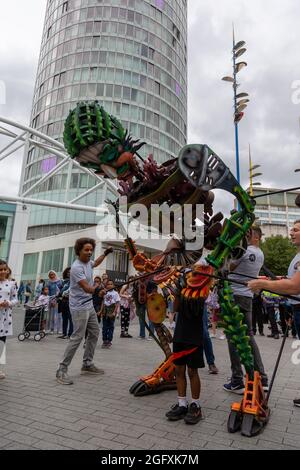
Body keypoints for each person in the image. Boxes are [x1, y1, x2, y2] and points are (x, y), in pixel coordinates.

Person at [248, 220, 300, 407]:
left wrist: (262, 284)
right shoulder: (297, 256)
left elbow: (294, 286)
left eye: (296, 230)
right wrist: (277, 280)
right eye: (291, 229)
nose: (291, 233)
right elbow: (291, 280)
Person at [56, 239, 113, 385]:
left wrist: (105, 253)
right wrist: (99, 288)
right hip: (79, 307)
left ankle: (87, 364)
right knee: (77, 337)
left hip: (88, 305)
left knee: (94, 332)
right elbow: (87, 288)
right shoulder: (76, 268)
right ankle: (61, 370)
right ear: (78, 251)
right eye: (86, 250)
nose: (89, 252)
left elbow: (97, 262)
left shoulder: (88, 263)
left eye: (90, 250)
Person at [223, 226, 268, 394]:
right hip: (247, 297)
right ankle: (262, 378)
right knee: (248, 336)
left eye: (249, 235)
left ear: (256, 237)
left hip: (234, 295)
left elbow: (229, 268)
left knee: (233, 336)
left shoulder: (244, 251)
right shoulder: (260, 254)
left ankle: (237, 379)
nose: (246, 237)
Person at [165, 265, 206, 425]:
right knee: (179, 369)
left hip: (194, 336)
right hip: (180, 335)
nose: (189, 278)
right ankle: (182, 403)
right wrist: (176, 290)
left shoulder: (201, 292)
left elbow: (196, 311)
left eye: (191, 276)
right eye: (186, 276)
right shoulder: (181, 291)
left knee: (192, 371)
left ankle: (196, 404)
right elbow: (174, 309)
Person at [0, 260, 18, 379]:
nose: (2, 271)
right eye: (0, 269)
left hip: (5, 318)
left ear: (7, 270)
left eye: (4, 269)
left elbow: (16, 299)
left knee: (1, 343)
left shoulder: (12, 283)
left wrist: (9, 302)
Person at [101, 279, 120, 348]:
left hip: (112, 310)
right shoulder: (105, 292)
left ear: (113, 285)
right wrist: (101, 311)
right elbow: (103, 302)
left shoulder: (115, 293)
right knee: (104, 327)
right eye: (108, 284)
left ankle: (109, 340)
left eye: (111, 284)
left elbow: (117, 303)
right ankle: (104, 340)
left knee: (111, 326)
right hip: (105, 311)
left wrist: (114, 312)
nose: (110, 285)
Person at [57, 267, 73, 339]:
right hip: (63, 301)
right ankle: (64, 333)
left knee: (71, 318)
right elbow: (59, 291)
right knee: (64, 318)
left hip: (71, 301)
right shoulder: (63, 282)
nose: (69, 273)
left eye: (70, 272)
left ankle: (70, 334)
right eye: (68, 272)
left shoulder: (74, 281)